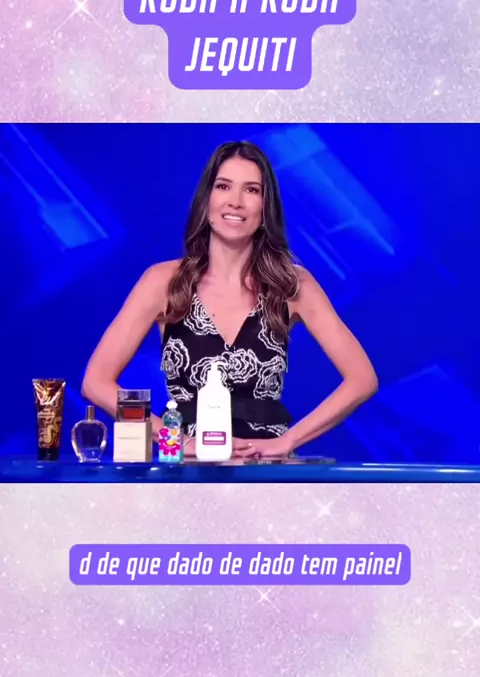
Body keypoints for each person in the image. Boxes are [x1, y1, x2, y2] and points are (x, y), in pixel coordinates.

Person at [82, 140, 378, 459]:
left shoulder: (293, 284)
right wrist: (175, 441)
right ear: (207, 200)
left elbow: (362, 379)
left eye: (251, 190)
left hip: (266, 473)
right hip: (189, 472)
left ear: (265, 208)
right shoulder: (163, 282)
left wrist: (289, 440)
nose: (236, 202)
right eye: (224, 186)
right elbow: (96, 383)